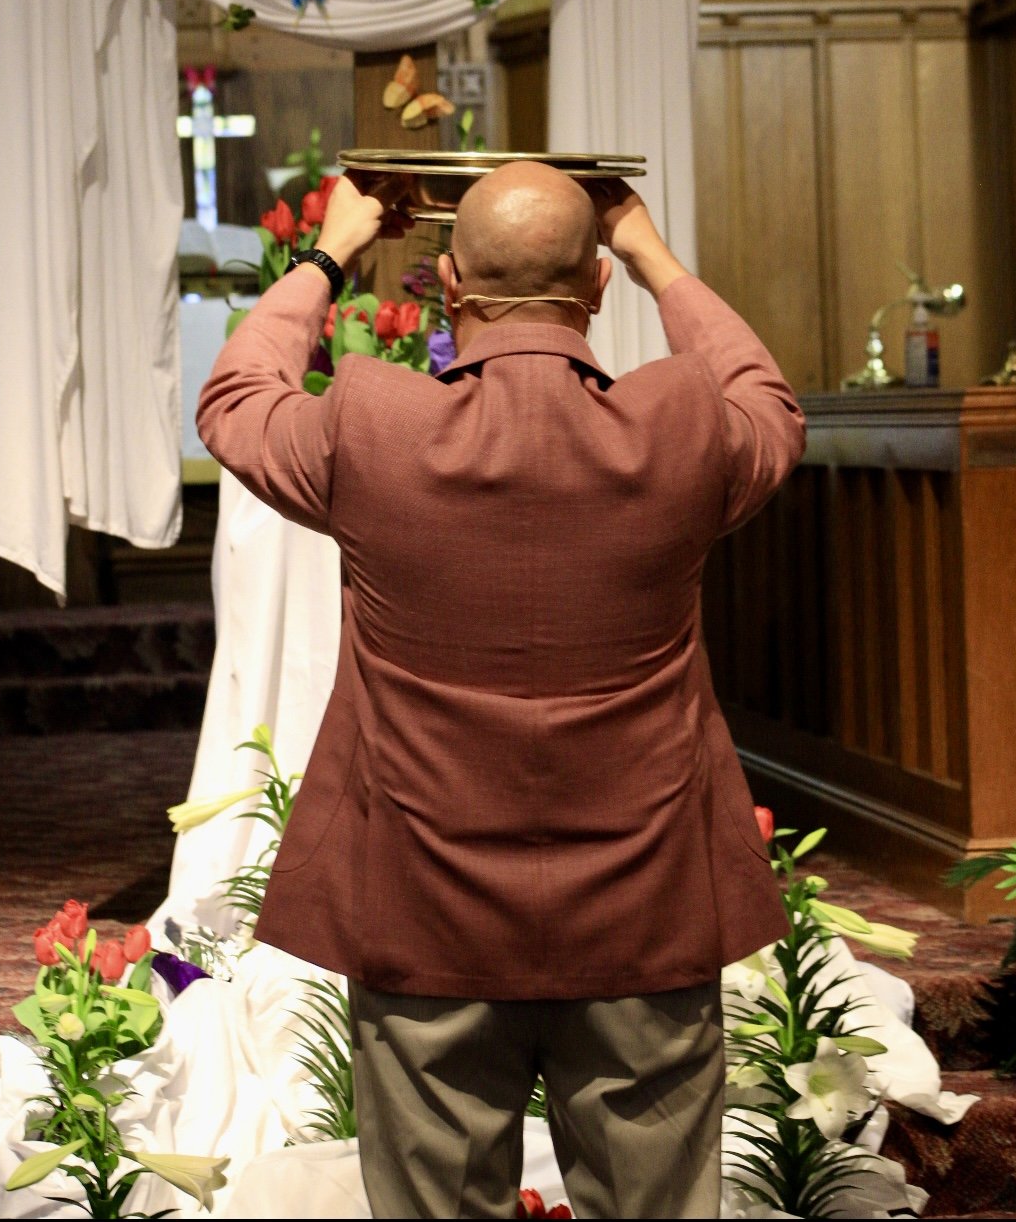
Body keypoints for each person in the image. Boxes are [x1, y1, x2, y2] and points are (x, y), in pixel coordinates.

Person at [196, 163, 805, 1220]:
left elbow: (238, 397)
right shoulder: (683, 428)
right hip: (643, 911)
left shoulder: (372, 426)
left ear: (445, 288)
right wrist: (656, 255)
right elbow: (766, 397)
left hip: (425, 911)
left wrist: (330, 253)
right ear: (600, 287)